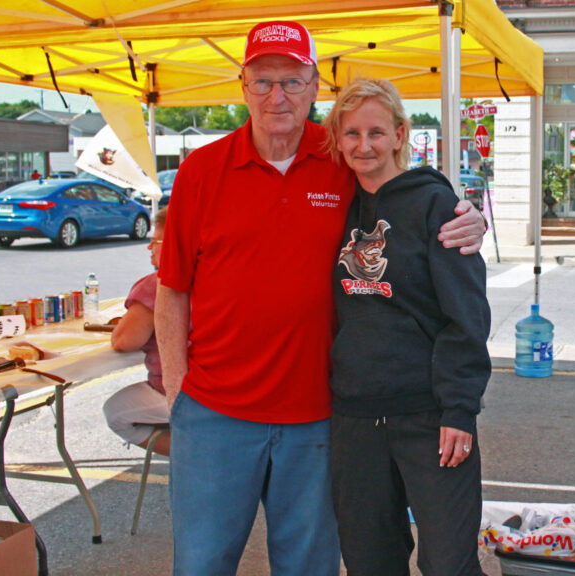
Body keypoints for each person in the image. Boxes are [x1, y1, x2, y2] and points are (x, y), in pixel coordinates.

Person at [155, 20, 486, 575]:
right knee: (201, 564)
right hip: (214, 413)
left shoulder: (340, 158)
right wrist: (176, 390)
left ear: (314, 87)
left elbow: (405, 189)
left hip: (318, 415)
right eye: (263, 81)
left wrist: (462, 215)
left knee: (307, 567)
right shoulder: (200, 171)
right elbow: (172, 289)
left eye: (292, 80)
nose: (277, 96)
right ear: (243, 86)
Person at [323, 78, 490, 575]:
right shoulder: (334, 205)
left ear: (400, 135)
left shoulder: (436, 207)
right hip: (354, 417)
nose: (363, 145)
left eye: (376, 132)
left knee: (448, 564)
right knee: (370, 562)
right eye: (351, 133)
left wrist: (460, 409)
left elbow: (466, 315)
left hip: (429, 417)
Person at [104, 208, 170, 456]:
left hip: (182, 392)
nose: (149, 247)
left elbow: (124, 341)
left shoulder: (156, 285)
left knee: (116, 412)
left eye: (156, 241)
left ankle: (201, 456)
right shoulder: (218, 276)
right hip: (231, 389)